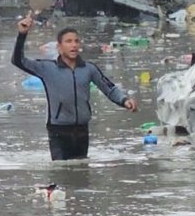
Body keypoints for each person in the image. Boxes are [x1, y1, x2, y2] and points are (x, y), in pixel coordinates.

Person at [12, 11, 138, 160]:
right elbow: (18, 61)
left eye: (76, 41)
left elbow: (109, 88)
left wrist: (124, 100)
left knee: (81, 172)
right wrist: (22, 35)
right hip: (58, 130)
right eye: (69, 41)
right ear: (59, 47)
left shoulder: (89, 69)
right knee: (61, 171)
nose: (74, 45)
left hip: (81, 130)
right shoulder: (47, 68)